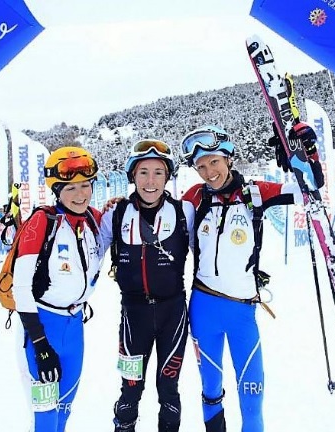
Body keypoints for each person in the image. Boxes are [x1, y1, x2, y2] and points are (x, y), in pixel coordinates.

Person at [179, 124, 323, 432]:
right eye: (201, 166)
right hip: (203, 308)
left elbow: (309, 188)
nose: (209, 172)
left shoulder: (254, 192)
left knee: (252, 390)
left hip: (242, 311)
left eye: (214, 162)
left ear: (229, 159)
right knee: (210, 388)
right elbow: (160, 218)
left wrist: (305, 153)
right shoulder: (194, 197)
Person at [99, 139, 194, 432]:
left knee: (169, 392)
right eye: (143, 172)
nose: (150, 181)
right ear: (132, 176)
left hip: (173, 314)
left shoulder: (184, 212)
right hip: (133, 315)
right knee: (129, 392)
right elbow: (90, 260)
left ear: (167, 177)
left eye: (158, 172)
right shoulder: (115, 214)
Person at [12, 146, 104, 432]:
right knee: (45, 417)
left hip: (75, 328)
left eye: (86, 186)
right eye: (71, 188)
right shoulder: (43, 222)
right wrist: (40, 344)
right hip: (42, 327)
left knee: (64, 410)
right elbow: (21, 287)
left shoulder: (93, 220)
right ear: (57, 191)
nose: (80, 195)